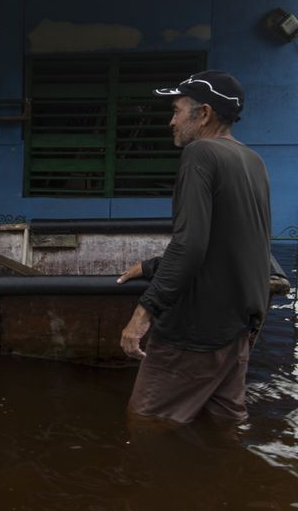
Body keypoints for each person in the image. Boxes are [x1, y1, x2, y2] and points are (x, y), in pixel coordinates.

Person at [116, 70, 271, 425]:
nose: (171, 121)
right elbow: (234, 240)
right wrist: (153, 265)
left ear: (203, 114)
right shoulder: (252, 161)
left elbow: (190, 244)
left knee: (145, 422)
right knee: (223, 425)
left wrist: (143, 313)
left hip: (196, 329)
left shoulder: (200, 153)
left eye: (176, 111)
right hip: (238, 325)